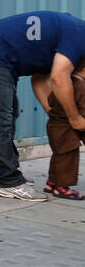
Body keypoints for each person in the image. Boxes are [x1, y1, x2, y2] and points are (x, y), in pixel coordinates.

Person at [0, 10, 85, 200]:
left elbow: (39, 79)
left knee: (8, 114)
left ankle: (2, 171)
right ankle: (9, 182)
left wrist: (53, 114)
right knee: (0, 120)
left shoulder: (71, 34)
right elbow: (60, 78)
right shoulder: (80, 36)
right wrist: (74, 118)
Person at [31, 60, 85, 199]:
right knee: (68, 158)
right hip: (65, 130)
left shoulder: (65, 83)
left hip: (54, 126)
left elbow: (50, 101)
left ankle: (52, 183)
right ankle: (61, 188)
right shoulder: (81, 85)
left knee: (59, 156)